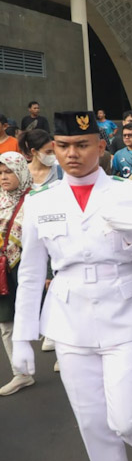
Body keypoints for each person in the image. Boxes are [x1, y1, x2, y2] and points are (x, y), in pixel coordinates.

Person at [11, 111, 132, 461]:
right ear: (52, 150)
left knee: (129, 417)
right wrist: (24, 339)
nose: (72, 154)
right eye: (62, 146)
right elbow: (30, 273)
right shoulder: (41, 203)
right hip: (69, 317)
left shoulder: (127, 194)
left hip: (125, 312)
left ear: (102, 146)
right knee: (92, 420)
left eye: (82, 144)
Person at [0, 153, 33, 396]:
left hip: (29, 265)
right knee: (6, 323)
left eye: (8, 172)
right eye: (0, 173)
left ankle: (67, 359)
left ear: (20, 171)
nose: (3, 177)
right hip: (3, 270)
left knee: (43, 315)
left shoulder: (36, 199)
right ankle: (20, 373)